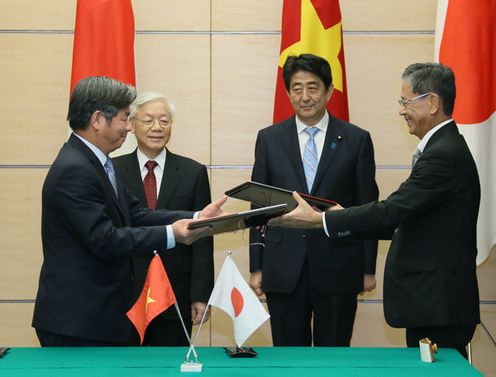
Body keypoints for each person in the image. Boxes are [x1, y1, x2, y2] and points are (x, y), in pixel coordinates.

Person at [270, 62, 480, 358]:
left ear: (432, 103)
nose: (401, 110)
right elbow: (395, 218)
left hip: (439, 303)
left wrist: (322, 220)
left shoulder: (443, 156)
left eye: (406, 101)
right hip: (434, 303)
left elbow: (392, 211)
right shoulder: (443, 149)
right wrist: (342, 215)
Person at [32, 76, 226, 347]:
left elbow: (135, 214)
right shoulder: (75, 170)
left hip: (97, 316)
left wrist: (195, 218)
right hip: (78, 320)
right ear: (98, 120)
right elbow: (105, 239)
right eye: (125, 118)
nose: (128, 128)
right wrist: (173, 234)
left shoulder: (96, 163)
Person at [249, 54, 379, 347]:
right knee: (288, 359)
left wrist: (367, 267)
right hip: (283, 268)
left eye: (313, 87)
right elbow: (258, 207)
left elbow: (367, 205)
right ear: (287, 92)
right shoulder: (269, 139)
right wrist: (257, 266)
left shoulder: (356, 139)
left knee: (333, 359)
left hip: (338, 265)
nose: (305, 97)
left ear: (329, 91)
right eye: (297, 88)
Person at [113, 91, 213, 346]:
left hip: (175, 293)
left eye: (164, 121)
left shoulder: (193, 172)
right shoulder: (111, 170)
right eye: (148, 120)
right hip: (124, 295)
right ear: (132, 125)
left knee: (171, 366)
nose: (157, 128)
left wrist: (200, 295)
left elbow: (203, 237)